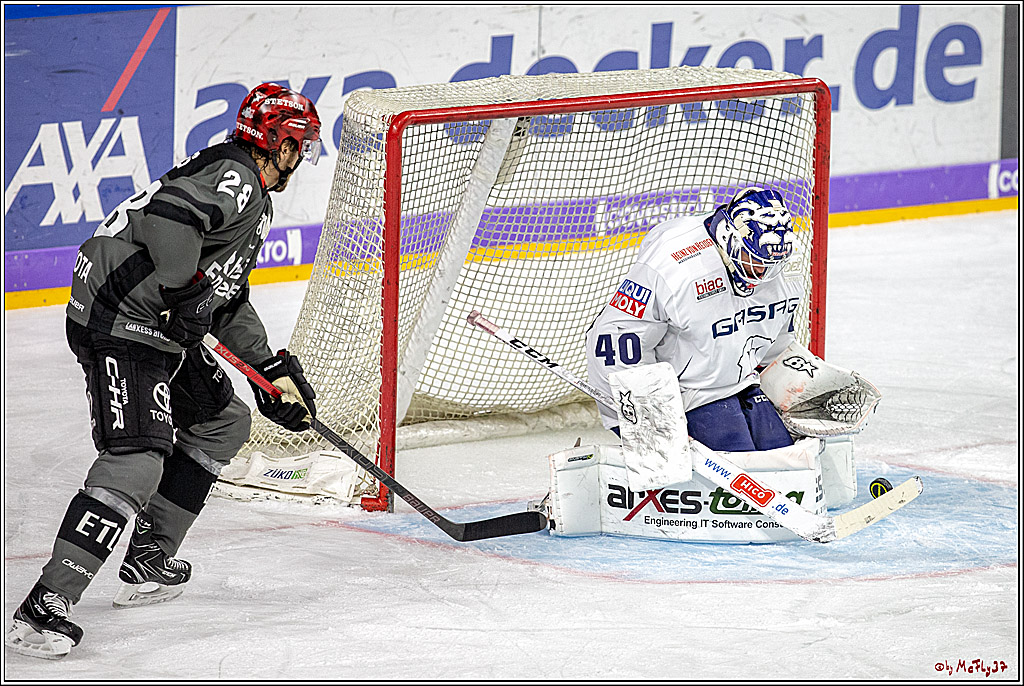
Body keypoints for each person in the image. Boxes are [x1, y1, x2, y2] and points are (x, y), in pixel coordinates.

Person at [6, 83, 322, 660]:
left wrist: (266, 369)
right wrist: (181, 292)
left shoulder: (246, 190)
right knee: (137, 456)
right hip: (121, 320)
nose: (301, 158)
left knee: (221, 419)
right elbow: (170, 219)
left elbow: (222, 297)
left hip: (153, 319)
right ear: (278, 142)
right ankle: (44, 607)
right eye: (299, 144)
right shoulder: (237, 177)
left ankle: (149, 552)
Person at [585, 187, 801, 453]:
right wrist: (648, 420)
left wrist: (803, 383)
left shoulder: (779, 260)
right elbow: (614, 342)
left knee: (783, 456)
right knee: (742, 467)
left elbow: (777, 339)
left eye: (770, 263)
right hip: (684, 394)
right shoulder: (675, 262)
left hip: (742, 381)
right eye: (753, 259)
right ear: (730, 241)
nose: (763, 271)